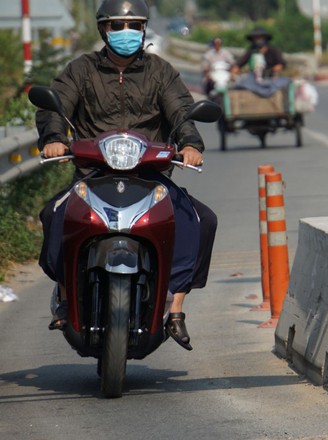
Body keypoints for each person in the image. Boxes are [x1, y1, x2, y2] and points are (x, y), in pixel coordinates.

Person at [36, 0, 217, 351]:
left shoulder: (160, 72)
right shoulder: (81, 70)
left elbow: (181, 110)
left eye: (134, 25)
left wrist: (191, 144)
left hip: (150, 177)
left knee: (202, 220)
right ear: (103, 29)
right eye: (117, 25)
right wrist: (55, 139)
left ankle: (176, 309)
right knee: (53, 214)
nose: (126, 33)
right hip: (93, 174)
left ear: (144, 29)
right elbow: (54, 107)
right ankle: (64, 294)